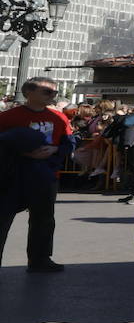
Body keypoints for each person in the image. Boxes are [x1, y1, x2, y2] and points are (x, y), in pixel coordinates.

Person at [0, 77, 74, 273]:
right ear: (29, 93)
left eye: (54, 93)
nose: (53, 96)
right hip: (13, 175)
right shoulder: (9, 117)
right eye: (47, 92)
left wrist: (55, 150)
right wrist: (23, 152)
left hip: (46, 174)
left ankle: (40, 259)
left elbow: (69, 142)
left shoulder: (59, 117)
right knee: (3, 219)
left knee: (43, 218)